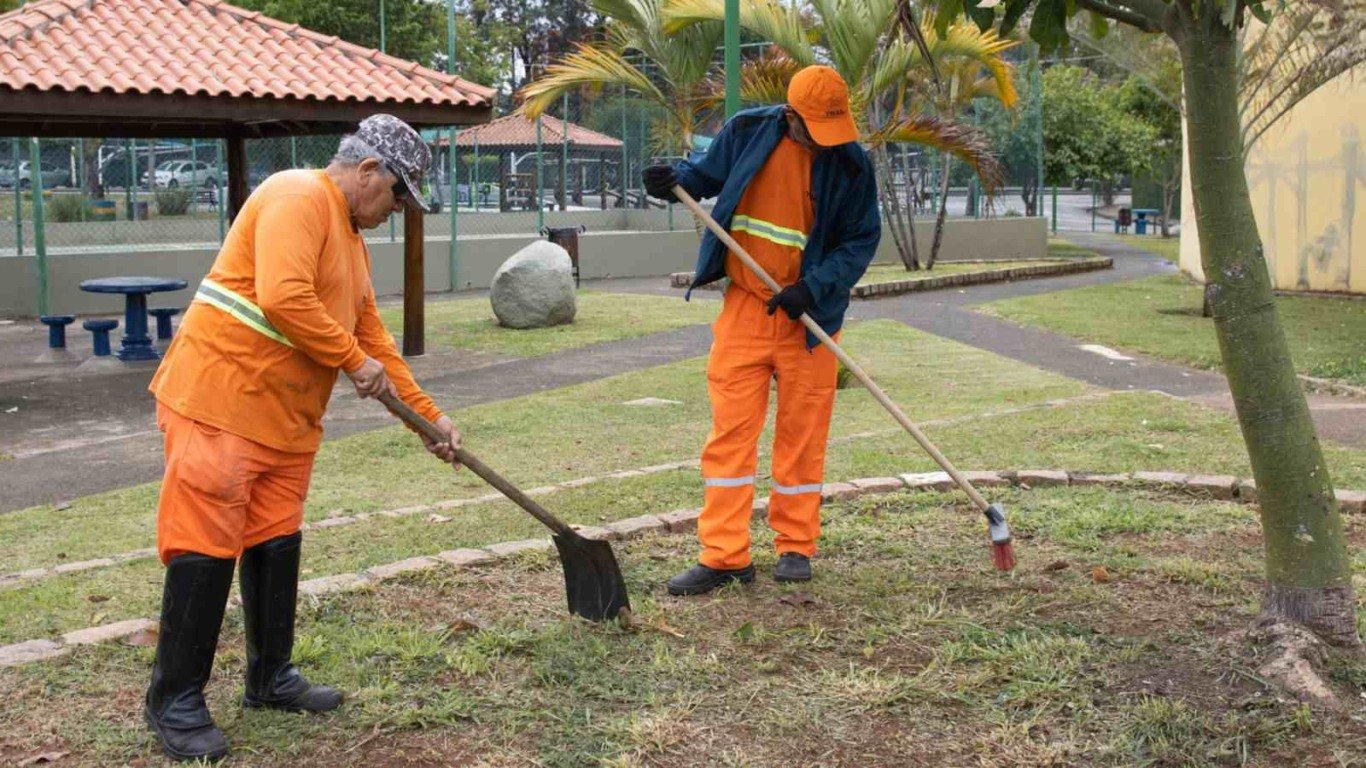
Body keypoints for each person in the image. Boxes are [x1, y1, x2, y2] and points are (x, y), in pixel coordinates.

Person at [143, 114, 460, 762]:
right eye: (399, 195)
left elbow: (375, 342)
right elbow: (285, 297)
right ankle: (174, 701)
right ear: (370, 171)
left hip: (285, 426)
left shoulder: (352, 243)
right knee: (205, 548)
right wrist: (352, 360)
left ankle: (270, 678)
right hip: (220, 405)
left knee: (275, 543)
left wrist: (429, 418)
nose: (398, 211)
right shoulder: (296, 196)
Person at [643, 65, 881, 596]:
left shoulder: (850, 163)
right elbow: (700, 179)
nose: (823, 141)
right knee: (730, 434)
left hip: (810, 319)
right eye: (814, 128)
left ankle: (795, 544)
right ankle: (725, 556)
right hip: (747, 308)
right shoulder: (749, 132)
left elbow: (861, 241)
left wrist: (813, 288)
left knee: (802, 434)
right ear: (791, 116)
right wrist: (669, 180)